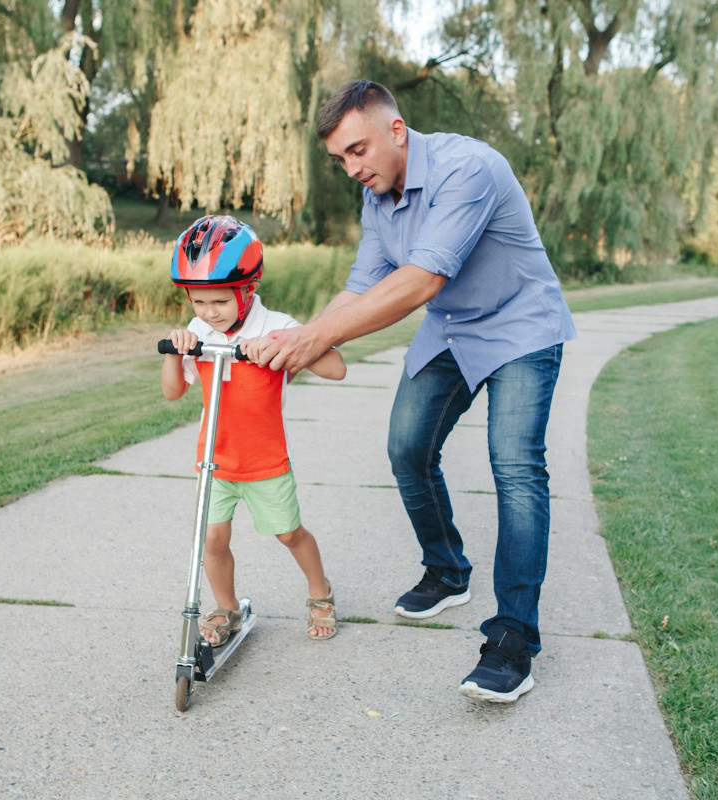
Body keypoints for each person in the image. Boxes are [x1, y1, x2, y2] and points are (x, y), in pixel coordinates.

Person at [254, 80, 577, 703]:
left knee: (515, 468)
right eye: (341, 160)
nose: (352, 168)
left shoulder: (469, 168)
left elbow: (420, 280)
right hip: (453, 330)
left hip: (520, 327)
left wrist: (311, 338)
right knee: (406, 448)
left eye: (357, 150)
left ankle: (513, 637)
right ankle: (448, 568)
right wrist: (301, 343)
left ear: (395, 130)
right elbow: (363, 286)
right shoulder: (379, 197)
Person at [161, 215, 347, 644]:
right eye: (199, 302)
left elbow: (336, 368)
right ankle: (226, 608)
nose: (209, 313)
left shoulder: (277, 325)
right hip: (215, 458)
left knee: (288, 533)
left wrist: (282, 345)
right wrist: (175, 350)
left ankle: (321, 593)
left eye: (220, 302)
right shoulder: (198, 331)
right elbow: (172, 393)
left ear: (249, 290)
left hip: (265, 460)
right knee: (211, 538)